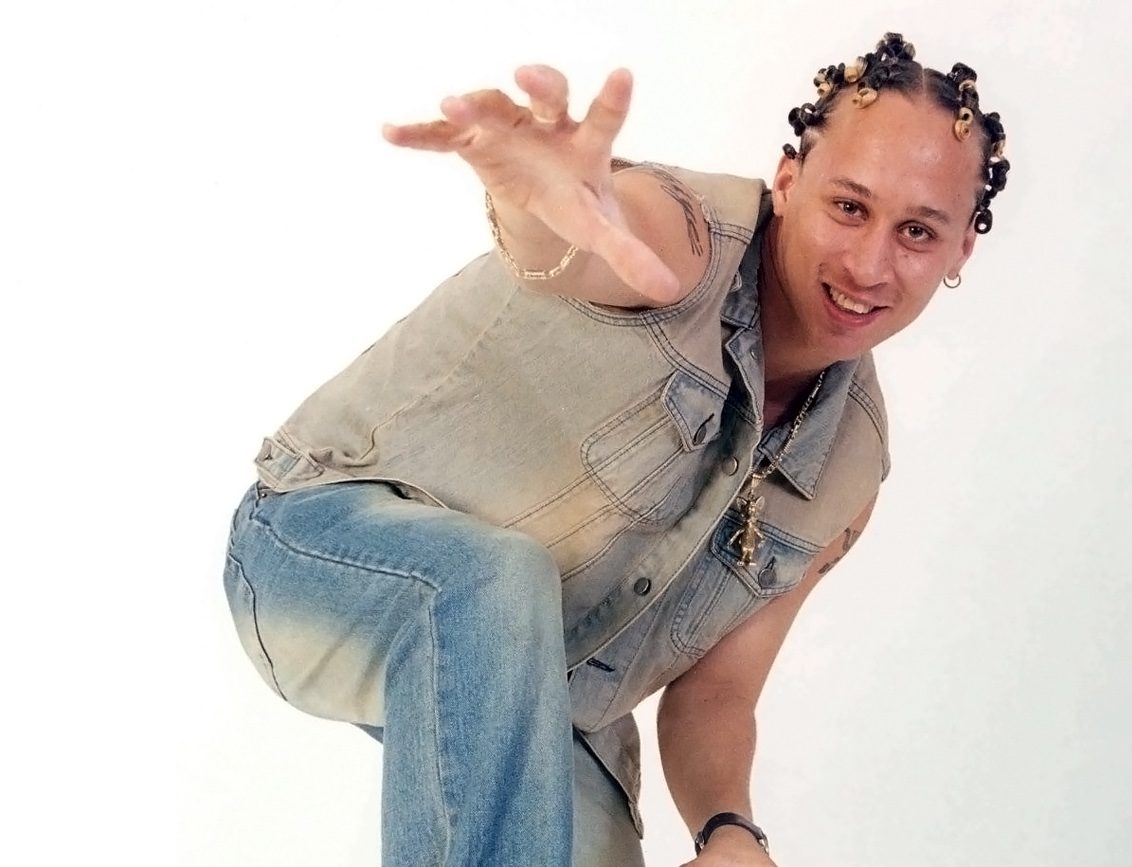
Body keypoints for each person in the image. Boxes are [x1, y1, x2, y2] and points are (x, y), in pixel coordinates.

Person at [221, 31, 1010, 867]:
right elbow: (591, 239)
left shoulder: (848, 465)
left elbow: (718, 691)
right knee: (494, 582)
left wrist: (729, 828)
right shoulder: (688, 240)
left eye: (917, 231)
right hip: (320, 549)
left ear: (961, 248)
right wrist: (546, 209)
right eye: (848, 207)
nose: (869, 263)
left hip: (553, 701)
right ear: (788, 181)